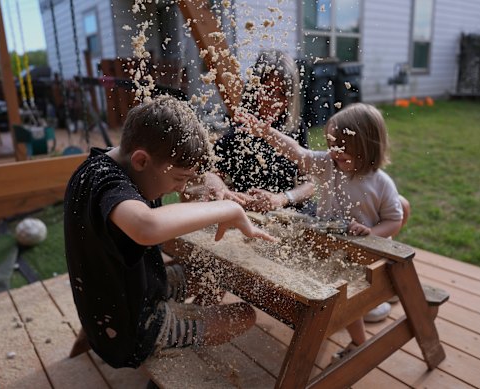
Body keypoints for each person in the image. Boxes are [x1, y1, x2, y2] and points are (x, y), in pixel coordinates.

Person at [63, 95, 274, 369]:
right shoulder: (109, 184)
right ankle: (175, 346)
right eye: (178, 180)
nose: (180, 188)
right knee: (245, 315)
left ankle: (185, 325)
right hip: (132, 330)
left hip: (132, 289)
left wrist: (209, 179)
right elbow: (147, 227)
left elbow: (185, 170)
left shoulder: (116, 160)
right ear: (141, 161)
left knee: (214, 272)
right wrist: (229, 209)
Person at [235, 102, 409, 356]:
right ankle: (357, 325)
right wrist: (267, 133)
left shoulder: (381, 183)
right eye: (330, 145)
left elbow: (394, 220)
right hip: (330, 246)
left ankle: (359, 343)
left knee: (346, 299)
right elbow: (297, 153)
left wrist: (370, 233)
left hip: (363, 254)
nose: (333, 153)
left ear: (366, 148)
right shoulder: (330, 165)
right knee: (332, 292)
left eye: (341, 149)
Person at [184, 50, 315, 213]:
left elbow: (309, 185)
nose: (273, 101)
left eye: (282, 94)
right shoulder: (239, 131)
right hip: (248, 214)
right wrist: (233, 195)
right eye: (267, 90)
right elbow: (209, 175)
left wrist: (281, 198)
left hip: (286, 212)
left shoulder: (294, 128)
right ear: (254, 88)